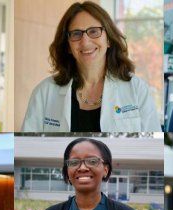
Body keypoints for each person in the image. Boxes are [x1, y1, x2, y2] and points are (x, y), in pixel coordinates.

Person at [21, 2, 160, 132]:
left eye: (94, 31)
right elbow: (26, 148)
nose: (85, 41)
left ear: (109, 39)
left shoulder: (137, 89)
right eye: (76, 34)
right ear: (68, 46)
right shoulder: (44, 92)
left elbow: (155, 147)